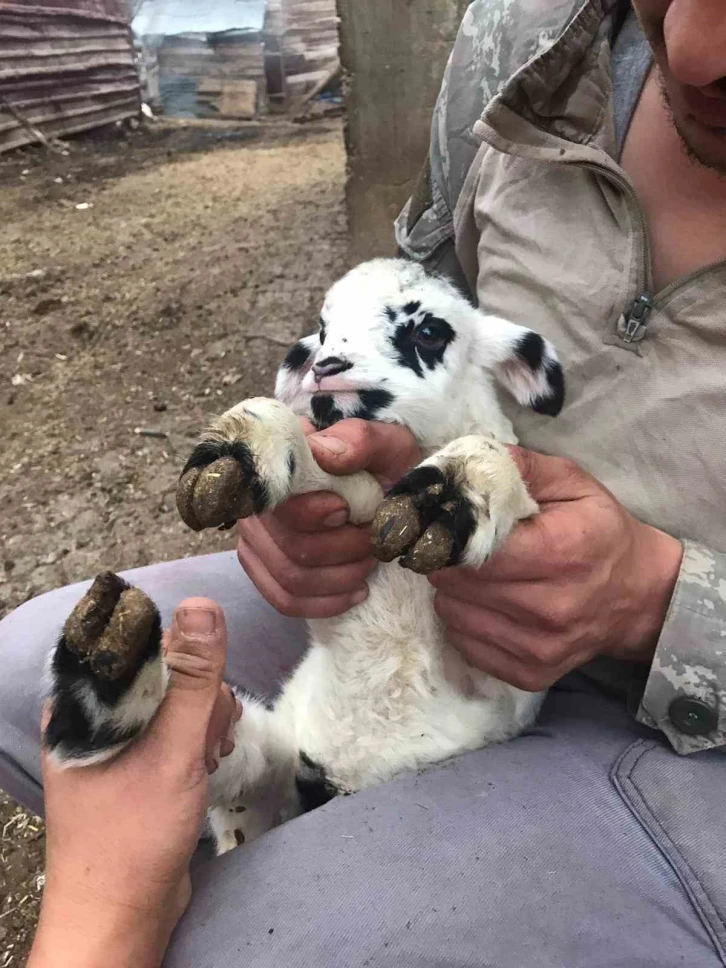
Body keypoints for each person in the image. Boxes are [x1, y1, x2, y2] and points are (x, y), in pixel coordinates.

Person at [4, 0, 726, 964]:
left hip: (687, 734)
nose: (692, 47)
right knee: (25, 666)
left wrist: (661, 609)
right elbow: (409, 310)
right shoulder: (531, 37)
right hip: (419, 587)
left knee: (258, 938)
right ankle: (270, 818)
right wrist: (301, 474)